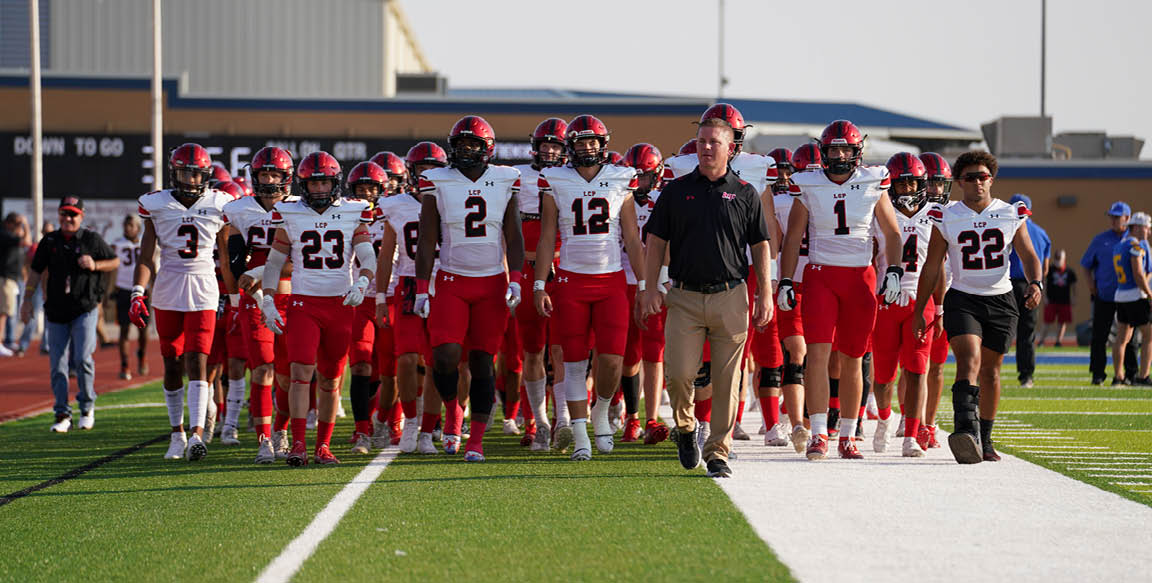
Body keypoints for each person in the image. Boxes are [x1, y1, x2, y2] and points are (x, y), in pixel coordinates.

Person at [639, 115, 773, 478]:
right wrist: (650, 287)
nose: (707, 148)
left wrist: (765, 292)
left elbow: (760, 244)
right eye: (701, 141)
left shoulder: (745, 192)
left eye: (714, 142)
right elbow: (655, 241)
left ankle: (717, 452)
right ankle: (685, 429)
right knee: (679, 374)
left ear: (731, 148)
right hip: (684, 295)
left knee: (728, 381)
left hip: (731, 294)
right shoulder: (676, 190)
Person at [777, 120, 905, 461]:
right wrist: (786, 278)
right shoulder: (808, 182)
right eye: (833, 150)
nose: (838, 156)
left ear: (856, 152)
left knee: (853, 358)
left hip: (860, 277)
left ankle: (848, 434)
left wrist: (894, 270)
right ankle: (819, 433)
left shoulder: (874, 180)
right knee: (817, 355)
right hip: (820, 275)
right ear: (823, 152)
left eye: (844, 149)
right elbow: (793, 237)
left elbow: (892, 233)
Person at [913, 150, 1043, 464]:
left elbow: (1028, 255)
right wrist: (920, 309)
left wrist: (1036, 283)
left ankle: (984, 437)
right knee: (968, 359)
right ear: (959, 182)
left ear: (991, 179)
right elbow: (932, 267)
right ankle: (964, 430)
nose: (977, 182)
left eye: (982, 176)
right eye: (970, 177)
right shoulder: (947, 216)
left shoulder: (1011, 213)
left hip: (1001, 299)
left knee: (991, 373)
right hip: (963, 297)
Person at [534, 115, 646, 461]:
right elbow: (547, 236)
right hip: (570, 281)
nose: (586, 147)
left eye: (592, 141)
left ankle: (601, 410)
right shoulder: (554, 178)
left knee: (612, 361)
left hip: (611, 279)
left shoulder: (621, 177)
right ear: (570, 145)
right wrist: (539, 284)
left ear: (603, 144)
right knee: (574, 362)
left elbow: (632, 238)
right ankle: (581, 432)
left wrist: (644, 284)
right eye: (580, 142)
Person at [415, 115, 525, 462]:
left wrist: (516, 279)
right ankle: (452, 409)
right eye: (461, 144)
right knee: (445, 356)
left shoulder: (506, 178)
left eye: (472, 144)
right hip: (451, 279)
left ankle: (475, 440)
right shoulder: (436, 179)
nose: (466, 150)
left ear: (486, 148)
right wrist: (421, 288)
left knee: (482, 361)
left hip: (491, 281)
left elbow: (514, 235)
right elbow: (427, 238)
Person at [260, 151, 375, 466]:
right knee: (300, 372)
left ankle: (323, 445)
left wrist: (363, 282)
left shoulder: (354, 211)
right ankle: (298, 444)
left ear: (335, 183)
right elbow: (273, 263)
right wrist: (267, 299)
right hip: (303, 303)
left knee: (331, 379)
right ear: (303, 184)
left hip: (340, 304)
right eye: (313, 183)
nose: (320, 189)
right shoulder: (289, 212)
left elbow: (368, 255)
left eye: (324, 182)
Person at [132, 143, 233, 461]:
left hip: (204, 287)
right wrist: (138, 291)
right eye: (185, 173)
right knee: (172, 361)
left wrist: (233, 296)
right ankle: (176, 434)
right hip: (168, 286)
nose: (191, 180)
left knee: (198, 359)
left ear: (206, 176)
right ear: (174, 174)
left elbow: (226, 259)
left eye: (196, 174)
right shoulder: (156, 204)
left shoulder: (220, 203)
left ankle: (197, 434)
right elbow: (146, 256)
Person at [221, 146, 296, 462]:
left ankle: (281, 430)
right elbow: (232, 261)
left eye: (274, 174)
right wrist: (238, 292)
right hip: (255, 298)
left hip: (291, 297)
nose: (269, 180)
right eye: (264, 174)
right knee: (263, 368)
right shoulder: (239, 210)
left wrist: (259, 271)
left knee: (289, 374)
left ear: (286, 177)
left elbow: (298, 260)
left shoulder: (299, 208)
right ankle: (264, 439)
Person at [20, 197, 119, 432]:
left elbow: (113, 261)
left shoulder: (91, 239)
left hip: (84, 308)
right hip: (56, 309)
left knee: (82, 359)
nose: (68, 218)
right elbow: (35, 271)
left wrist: (95, 264)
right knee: (57, 364)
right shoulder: (50, 241)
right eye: (64, 213)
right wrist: (27, 299)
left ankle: (86, 407)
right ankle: (62, 413)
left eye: (73, 214)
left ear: (81, 216)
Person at [870, 153, 939, 458]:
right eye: (902, 183)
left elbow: (938, 266)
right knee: (884, 376)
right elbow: (870, 258)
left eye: (913, 182)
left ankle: (911, 434)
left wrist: (940, 307)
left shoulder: (936, 214)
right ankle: (885, 419)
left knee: (917, 370)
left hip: (920, 300)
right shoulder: (880, 212)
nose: (908, 188)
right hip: (886, 300)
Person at [512, 118, 567, 451]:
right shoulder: (514, 175)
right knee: (531, 351)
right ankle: (537, 423)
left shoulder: (572, 176)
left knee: (561, 351)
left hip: (561, 268)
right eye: (545, 145)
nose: (549, 151)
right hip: (526, 267)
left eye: (555, 146)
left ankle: (563, 420)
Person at [1082, 201, 1137, 384]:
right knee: (1100, 336)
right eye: (1111, 217)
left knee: (1129, 337)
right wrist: (1091, 286)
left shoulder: (1133, 241)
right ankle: (1098, 374)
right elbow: (1086, 265)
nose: (1113, 220)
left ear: (1127, 218)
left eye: (1117, 217)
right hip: (1105, 294)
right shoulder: (1100, 240)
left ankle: (1130, 373)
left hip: (1128, 296)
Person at [1007, 193, 1051, 387]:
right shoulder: (1042, 233)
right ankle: (1026, 375)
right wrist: (1037, 284)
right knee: (1027, 332)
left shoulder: (1008, 227)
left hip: (1008, 284)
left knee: (1001, 330)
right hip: (1032, 284)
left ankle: (989, 371)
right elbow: (1045, 267)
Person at [1110, 212, 1152, 385]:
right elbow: (1138, 274)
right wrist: (1149, 293)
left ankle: (1118, 376)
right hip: (1136, 296)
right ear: (1137, 227)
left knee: (1121, 339)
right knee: (1149, 336)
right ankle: (1143, 376)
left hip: (1121, 295)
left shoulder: (1119, 245)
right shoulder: (1136, 246)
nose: (1148, 232)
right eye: (1146, 228)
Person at [109, 215, 148, 379]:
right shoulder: (117, 244)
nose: (128, 228)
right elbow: (111, 267)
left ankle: (142, 356)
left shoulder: (146, 243)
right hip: (124, 290)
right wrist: (110, 289)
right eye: (126, 225)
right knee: (124, 329)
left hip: (142, 291)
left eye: (131, 225)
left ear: (138, 228)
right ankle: (124, 364)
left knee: (143, 330)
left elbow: (152, 265)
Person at [1038, 250, 1077, 347]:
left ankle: (1058, 341)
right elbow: (1044, 283)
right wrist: (1044, 297)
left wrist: (1073, 297)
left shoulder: (1070, 272)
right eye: (1057, 259)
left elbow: (1073, 286)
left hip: (1065, 301)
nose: (1058, 261)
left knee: (1062, 322)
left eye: (1060, 259)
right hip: (1051, 300)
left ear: (1064, 259)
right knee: (1047, 321)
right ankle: (1041, 341)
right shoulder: (1050, 270)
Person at [0, 213, 25, 357]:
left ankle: (8, 340)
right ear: (8, 223)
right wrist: (25, 224)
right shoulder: (5, 235)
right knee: (3, 312)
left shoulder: (10, 235)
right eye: (16, 223)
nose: (18, 226)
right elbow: (26, 241)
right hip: (5, 278)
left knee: (9, 311)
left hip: (12, 278)